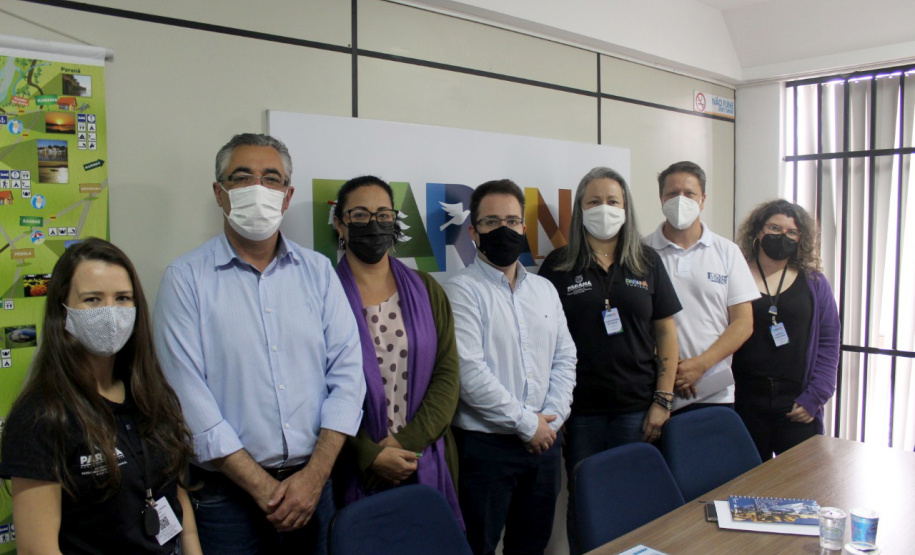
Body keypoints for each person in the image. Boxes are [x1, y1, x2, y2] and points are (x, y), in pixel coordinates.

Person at [153, 133, 366, 554]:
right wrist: (264, 488)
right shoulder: (185, 280)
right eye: (242, 177)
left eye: (271, 179)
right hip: (224, 498)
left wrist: (313, 477)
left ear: (286, 198)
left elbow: (347, 375)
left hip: (314, 486)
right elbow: (188, 402)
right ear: (219, 192)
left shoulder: (319, 272)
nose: (258, 189)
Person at [0, 238, 202, 554]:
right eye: (93, 299)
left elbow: (178, 502)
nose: (110, 312)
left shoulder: (152, 396)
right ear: (63, 310)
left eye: (122, 298)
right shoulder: (42, 416)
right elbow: (37, 549)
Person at [538, 167, 681, 555]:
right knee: (586, 500)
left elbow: (666, 333)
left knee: (633, 499)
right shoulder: (559, 265)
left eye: (613, 201)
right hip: (580, 411)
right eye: (594, 202)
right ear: (580, 209)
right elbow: (543, 342)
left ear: (626, 208)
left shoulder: (646, 261)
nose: (605, 209)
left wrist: (663, 400)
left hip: (637, 408)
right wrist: (555, 409)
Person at [443, 179, 577, 555]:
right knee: (477, 546)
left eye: (512, 221)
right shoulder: (461, 290)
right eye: (490, 222)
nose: (503, 230)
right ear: (473, 232)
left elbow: (565, 357)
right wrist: (527, 423)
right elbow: (469, 372)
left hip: (544, 444)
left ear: (523, 228)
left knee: (530, 546)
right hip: (487, 448)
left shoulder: (545, 290)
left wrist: (552, 417)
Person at [331, 175, 463, 525]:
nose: (374, 225)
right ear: (339, 224)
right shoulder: (323, 295)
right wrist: (370, 455)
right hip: (354, 465)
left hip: (424, 458)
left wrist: (404, 444)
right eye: (359, 215)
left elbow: (447, 374)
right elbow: (316, 390)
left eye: (383, 215)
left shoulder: (426, 288)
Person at [645, 161, 759, 411]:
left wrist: (700, 365)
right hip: (657, 392)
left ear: (703, 200)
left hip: (713, 390)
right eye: (672, 193)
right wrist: (671, 370)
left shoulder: (727, 251)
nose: (680, 199)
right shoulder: (641, 252)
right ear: (661, 198)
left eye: (689, 193)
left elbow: (743, 323)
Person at [732, 199, 840, 461]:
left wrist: (815, 397)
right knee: (746, 484)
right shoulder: (735, 275)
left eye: (792, 232)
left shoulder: (814, 282)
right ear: (758, 231)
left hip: (797, 403)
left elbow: (829, 342)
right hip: (743, 402)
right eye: (774, 228)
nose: (783, 236)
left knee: (802, 486)